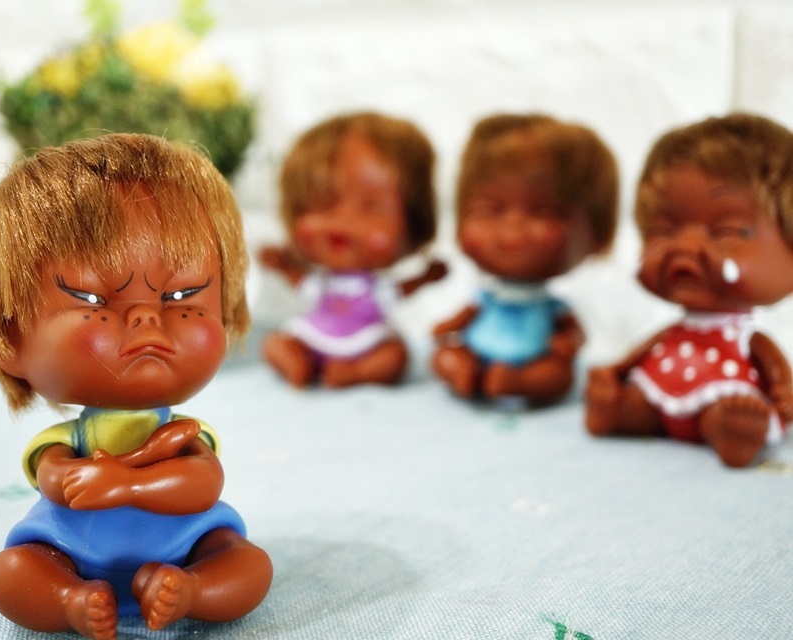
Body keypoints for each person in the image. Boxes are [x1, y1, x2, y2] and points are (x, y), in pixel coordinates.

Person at [0, 133, 272, 640]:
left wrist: (129, 485)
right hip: (73, 549)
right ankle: (69, 599)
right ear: (10, 340)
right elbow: (55, 481)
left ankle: (192, 589)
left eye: (183, 294)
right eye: (89, 298)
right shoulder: (67, 443)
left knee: (249, 566)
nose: (146, 319)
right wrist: (96, 477)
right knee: (10, 573)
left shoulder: (184, 434)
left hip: (183, 546)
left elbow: (203, 483)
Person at [584, 113, 793, 467]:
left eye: (726, 232)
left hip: (723, 393)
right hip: (660, 389)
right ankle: (617, 411)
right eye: (664, 231)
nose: (685, 247)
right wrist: (616, 371)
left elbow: (771, 363)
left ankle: (733, 430)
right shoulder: (674, 334)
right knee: (637, 403)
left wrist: (784, 388)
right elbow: (647, 348)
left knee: (722, 413)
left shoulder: (748, 339)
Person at [432, 113, 619, 405]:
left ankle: (518, 383)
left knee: (559, 375)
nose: (512, 233)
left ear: (597, 232)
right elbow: (459, 320)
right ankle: (463, 371)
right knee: (443, 355)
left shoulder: (556, 309)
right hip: (477, 350)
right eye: (490, 210)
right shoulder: (485, 298)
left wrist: (569, 342)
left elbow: (573, 332)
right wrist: (447, 327)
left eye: (543, 212)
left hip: (535, 358)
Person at [260, 111, 446, 388]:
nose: (342, 223)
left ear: (415, 220)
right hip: (315, 333)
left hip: (366, 340)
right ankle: (296, 363)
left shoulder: (377, 290)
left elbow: (400, 290)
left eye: (370, 208)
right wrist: (283, 265)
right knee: (274, 342)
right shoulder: (322, 283)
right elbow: (303, 282)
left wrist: (426, 277)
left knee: (395, 355)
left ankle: (355, 373)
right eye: (324, 205)